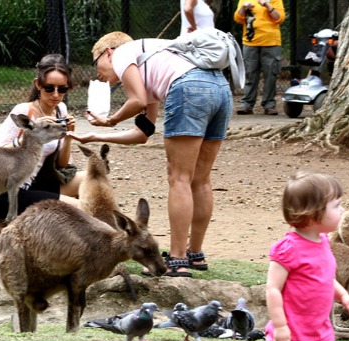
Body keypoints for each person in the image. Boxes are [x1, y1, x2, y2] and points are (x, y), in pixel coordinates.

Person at [71, 31, 232, 278]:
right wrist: (95, 137)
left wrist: (110, 121)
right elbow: (143, 132)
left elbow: (136, 101)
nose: (99, 74)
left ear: (108, 53)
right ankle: (195, 255)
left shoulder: (123, 53)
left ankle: (177, 260)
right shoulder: (153, 64)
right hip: (220, 88)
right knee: (201, 179)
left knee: (179, 178)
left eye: (97, 64)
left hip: (189, 88)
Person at [263, 171, 349, 341]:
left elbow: (325, 277)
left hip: (321, 339)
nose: (343, 210)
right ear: (313, 213)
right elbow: (273, 289)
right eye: (336, 205)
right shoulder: (288, 249)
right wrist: (280, 326)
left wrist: (343, 295)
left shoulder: (324, 241)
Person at [0, 54, 81, 236]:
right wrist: (29, 135)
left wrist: (68, 136)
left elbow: (62, 165)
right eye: (49, 88)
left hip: (35, 183)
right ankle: (7, 224)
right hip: (5, 192)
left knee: (93, 181)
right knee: (79, 208)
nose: (56, 95)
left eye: (63, 89)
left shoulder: (61, 110)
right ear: (38, 84)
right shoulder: (24, 112)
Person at [233, 0, 285, 115]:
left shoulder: (275, 1)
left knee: (271, 75)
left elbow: (279, 18)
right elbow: (238, 18)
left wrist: (267, 5)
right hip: (250, 42)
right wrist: (243, 8)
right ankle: (246, 104)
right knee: (250, 74)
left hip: (271, 42)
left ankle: (269, 104)